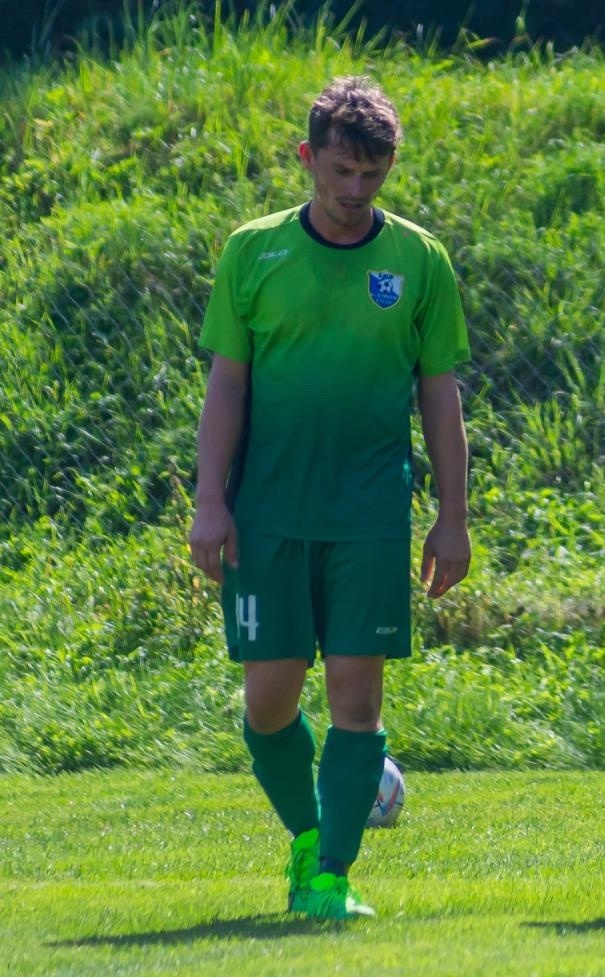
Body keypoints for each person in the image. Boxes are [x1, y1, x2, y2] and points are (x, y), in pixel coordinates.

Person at [187, 76, 471, 920]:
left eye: (371, 176)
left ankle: (330, 877)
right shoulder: (254, 251)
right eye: (339, 172)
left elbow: (440, 395)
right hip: (269, 512)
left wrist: (452, 516)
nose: (353, 192)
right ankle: (310, 836)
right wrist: (211, 498)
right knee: (269, 705)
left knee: (356, 692)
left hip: (371, 516)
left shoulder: (418, 260)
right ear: (308, 158)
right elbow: (226, 385)